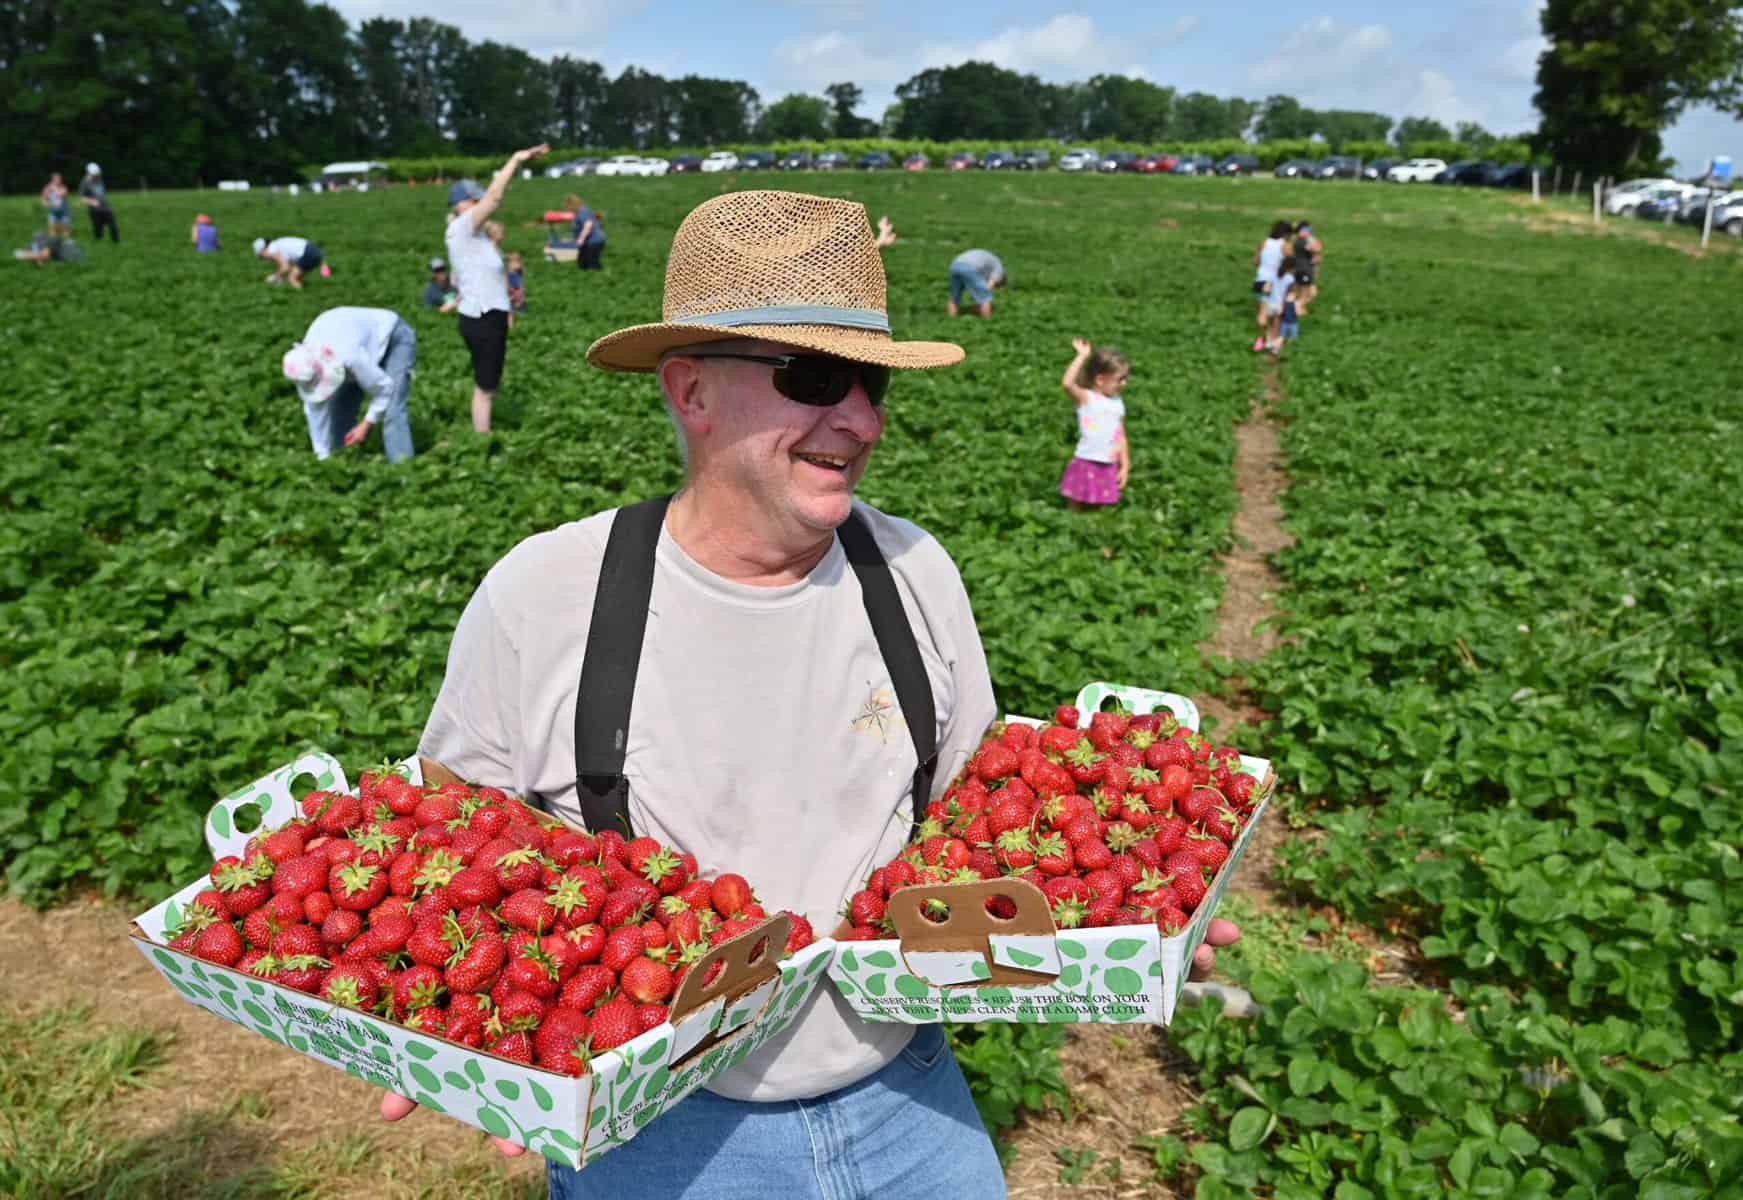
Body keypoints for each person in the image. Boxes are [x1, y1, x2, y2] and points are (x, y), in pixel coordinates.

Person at [380, 188, 1240, 1198]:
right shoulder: (547, 597)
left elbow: (981, 837)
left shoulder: (914, 571)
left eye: (874, 383)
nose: (863, 419)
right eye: (817, 375)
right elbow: (440, 855)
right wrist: (441, 1020)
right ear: (690, 390)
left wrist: (1126, 917)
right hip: (658, 1134)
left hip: (910, 1093)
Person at [445, 143, 548, 434]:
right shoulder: (463, 227)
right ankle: (482, 440)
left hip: (491, 314)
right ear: (463, 204)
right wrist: (515, 160)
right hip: (481, 318)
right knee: (486, 386)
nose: (479, 205)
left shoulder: (476, 238)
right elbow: (494, 197)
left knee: (489, 383)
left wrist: (508, 309)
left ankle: (483, 435)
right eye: (474, 200)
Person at [280, 306, 417, 463]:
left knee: (393, 411)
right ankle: (345, 464)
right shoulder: (305, 360)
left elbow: (385, 389)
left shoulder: (349, 357)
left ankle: (403, 471)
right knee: (339, 410)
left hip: (393, 337)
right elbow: (315, 412)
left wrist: (366, 424)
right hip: (359, 344)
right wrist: (323, 458)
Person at [1057, 338, 1130, 510]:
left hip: (1108, 463)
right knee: (1075, 504)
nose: (1124, 383)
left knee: (1098, 507)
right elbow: (1067, 384)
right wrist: (1081, 357)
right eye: (1120, 379)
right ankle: (1070, 528)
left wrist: (1125, 464)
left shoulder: (1117, 403)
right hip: (1086, 460)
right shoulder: (1087, 398)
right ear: (1100, 380)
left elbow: (1121, 435)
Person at [1251, 220, 1290, 350]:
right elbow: (1289, 264)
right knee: (1277, 313)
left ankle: (1261, 339)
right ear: (1286, 234)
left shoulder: (1264, 243)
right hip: (1274, 282)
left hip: (1260, 279)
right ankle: (1272, 340)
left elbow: (1256, 261)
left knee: (1262, 312)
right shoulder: (1285, 246)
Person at [947, 248, 1005, 318]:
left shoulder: (990, 263)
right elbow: (988, 287)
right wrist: (979, 304)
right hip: (969, 266)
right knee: (985, 297)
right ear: (1000, 279)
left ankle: (951, 319)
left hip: (955, 265)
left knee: (954, 297)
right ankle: (987, 322)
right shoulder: (999, 269)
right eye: (997, 286)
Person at [253, 235, 325, 288]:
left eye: (261, 257)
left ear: (263, 250)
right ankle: (305, 289)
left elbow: (285, 267)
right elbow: (288, 267)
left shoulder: (272, 250)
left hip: (308, 253)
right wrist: (281, 278)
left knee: (292, 278)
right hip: (313, 250)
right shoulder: (276, 244)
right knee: (298, 277)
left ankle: (301, 298)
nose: (265, 259)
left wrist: (273, 277)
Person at [1260, 257, 1298, 356]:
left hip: (1269, 304)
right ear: (1291, 268)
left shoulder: (1273, 274)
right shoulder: (1290, 279)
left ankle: (1268, 342)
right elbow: (1290, 296)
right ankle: (1275, 348)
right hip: (1280, 306)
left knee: (1269, 326)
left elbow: (1265, 289)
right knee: (1277, 329)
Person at [78, 163, 118, 243]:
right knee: (98, 230)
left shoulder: (99, 179)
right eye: (94, 174)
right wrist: (92, 201)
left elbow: (102, 192)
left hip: (106, 207)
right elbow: (82, 198)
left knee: (113, 226)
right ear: (89, 173)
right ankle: (98, 244)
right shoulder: (84, 183)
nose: (96, 175)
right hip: (95, 210)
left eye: (97, 173)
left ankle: (116, 243)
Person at [566, 192, 606, 270]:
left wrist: (580, 240)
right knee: (582, 262)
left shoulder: (583, 211)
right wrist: (572, 239)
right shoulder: (578, 213)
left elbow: (588, 225)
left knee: (592, 262)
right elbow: (578, 229)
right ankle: (586, 275)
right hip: (587, 242)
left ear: (573, 204)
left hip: (594, 241)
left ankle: (599, 276)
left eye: (568, 206)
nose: (568, 208)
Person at [1291, 221, 1322, 316]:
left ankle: (1297, 309)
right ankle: (1296, 306)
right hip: (1304, 270)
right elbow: (1316, 248)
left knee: (1299, 292)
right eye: (1308, 229)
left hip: (1299, 269)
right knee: (1309, 294)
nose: (1310, 231)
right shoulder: (1302, 241)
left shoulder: (1298, 240)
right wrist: (1313, 240)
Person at [13, 231, 84, 265]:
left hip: (73, 260)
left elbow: (45, 255)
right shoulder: (36, 244)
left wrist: (25, 256)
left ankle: (26, 255)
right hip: (66, 259)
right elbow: (40, 260)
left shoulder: (52, 242)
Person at [41, 173, 72, 238]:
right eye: (57, 179)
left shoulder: (63, 187)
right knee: (52, 229)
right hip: (53, 212)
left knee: (65, 229)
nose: (59, 181)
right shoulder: (47, 188)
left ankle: (66, 241)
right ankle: (53, 242)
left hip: (64, 211)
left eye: (60, 179)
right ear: (53, 180)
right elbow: (43, 199)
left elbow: (63, 194)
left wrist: (53, 189)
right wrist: (47, 204)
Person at [504, 250, 526, 321]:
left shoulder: (516, 273)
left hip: (516, 296)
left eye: (517, 262)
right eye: (513, 262)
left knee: (515, 311)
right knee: (512, 311)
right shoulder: (510, 274)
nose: (516, 264)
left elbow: (519, 286)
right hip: (513, 295)